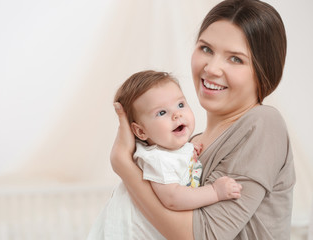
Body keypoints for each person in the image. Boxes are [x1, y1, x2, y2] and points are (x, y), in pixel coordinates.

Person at [110, 0, 295, 239]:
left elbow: (205, 235)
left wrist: (123, 165)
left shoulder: (263, 124)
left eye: (235, 59)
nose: (212, 68)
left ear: (263, 72)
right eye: (206, 49)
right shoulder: (189, 146)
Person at [88, 70, 242, 239]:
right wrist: (214, 192)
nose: (177, 114)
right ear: (140, 131)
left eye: (180, 104)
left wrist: (189, 151)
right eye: (162, 113)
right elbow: (172, 198)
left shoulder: (171, 151)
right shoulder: (157, 160)